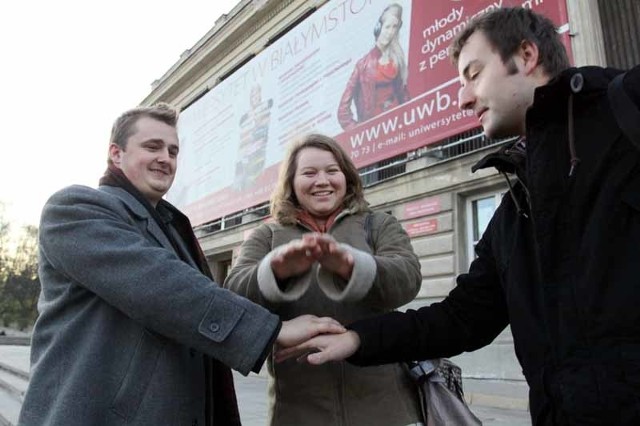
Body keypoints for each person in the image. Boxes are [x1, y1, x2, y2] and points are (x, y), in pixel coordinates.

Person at [277, 8, 640, 426]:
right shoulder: (514, 212)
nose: (463, 98)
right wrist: (359, 337)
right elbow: (459, 319)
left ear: (525, 56)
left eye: (473, 74)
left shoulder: (627, 116)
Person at [18, 104, 346, 426]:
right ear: (116, 154)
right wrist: (272, 330)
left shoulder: (173, 227)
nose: (165, 158)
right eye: (152, 147)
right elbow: (157, 283)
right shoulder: (75, 208)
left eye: (173, 151)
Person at [223, 133, 423, 425]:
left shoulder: (378, 223)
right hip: (298, 411)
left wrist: (351, 266)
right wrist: (276, 271)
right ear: (291, 182)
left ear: (348, 177)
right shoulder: (266, 235)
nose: (322, 181)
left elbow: (407, 279)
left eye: (332, 171)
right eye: (309, 173)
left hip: (385, 408)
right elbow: (233, 296)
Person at [337, 3, 409, 130]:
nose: (390, 32)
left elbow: (404, 96)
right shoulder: (362, 65)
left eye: (394, 27)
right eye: (387, 27)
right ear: (378, 28)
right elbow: (343, 111)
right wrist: (359, 131)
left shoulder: (397, 59)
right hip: (375, 134)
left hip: (398, 127)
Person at [234, 84, 274, 190]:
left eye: (257, 94)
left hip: (259, 154)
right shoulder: (246, 117)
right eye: (253, 95)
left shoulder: (265, 110)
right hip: (246, 158)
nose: (255, 97)